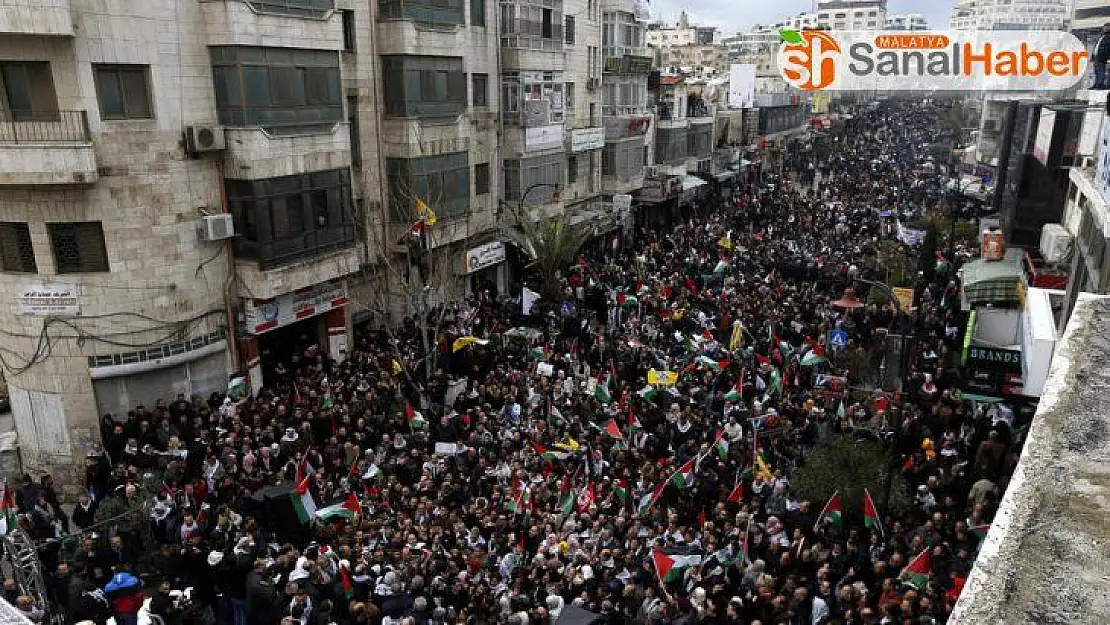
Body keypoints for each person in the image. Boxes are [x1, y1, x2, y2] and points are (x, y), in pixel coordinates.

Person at [1094, 23, 1110, 89]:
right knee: (1097, 71)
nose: (1104, 28)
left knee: (1101, 71)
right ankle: (1096, 84)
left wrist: (1105, 55)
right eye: (1104, 27)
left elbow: (1108, 47)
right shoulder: (1102, 36)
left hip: (1102, 57)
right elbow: (1097, 46)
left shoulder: (1108, 36)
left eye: (1106, 27)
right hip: (1096, 56)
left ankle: (1100, 85)